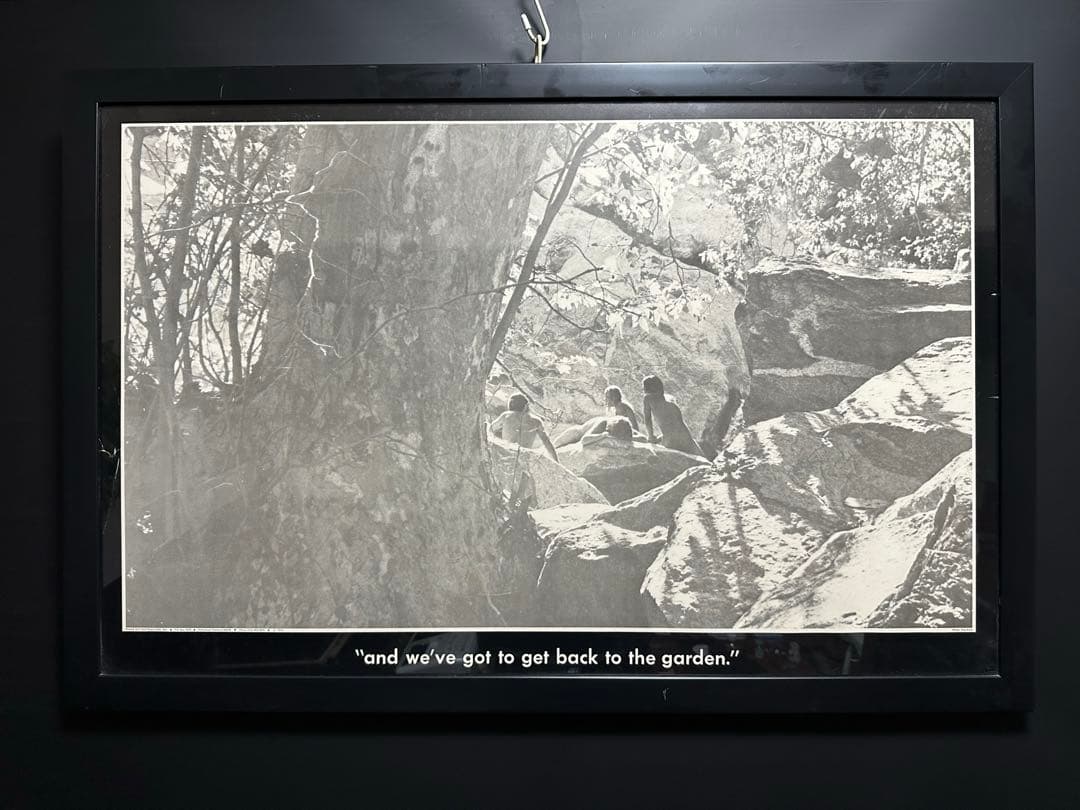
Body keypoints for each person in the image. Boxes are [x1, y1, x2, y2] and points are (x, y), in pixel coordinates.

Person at [641, 375, 705, 457]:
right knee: (701, 459)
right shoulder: (670, 399)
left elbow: (647, 419)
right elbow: (676, 426)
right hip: (685, 436)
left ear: (646, 388)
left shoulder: (648, 398)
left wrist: (650, 436)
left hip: (671, 440)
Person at [489, 393, 559, 463]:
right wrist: (556, 461)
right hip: (524, 457)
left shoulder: (506, 416)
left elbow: (490, 430)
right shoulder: (536, 421)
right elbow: (547, 443)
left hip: (507, 455)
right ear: (526, 406)